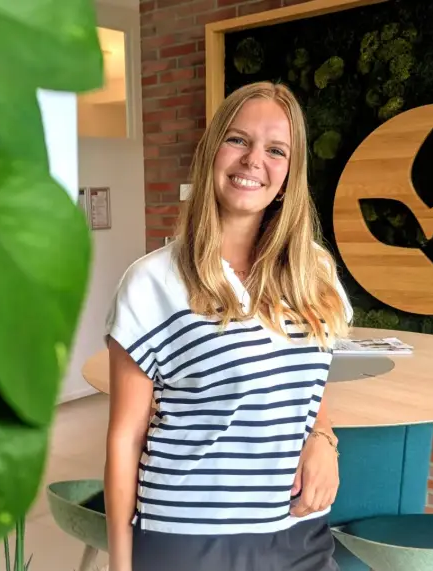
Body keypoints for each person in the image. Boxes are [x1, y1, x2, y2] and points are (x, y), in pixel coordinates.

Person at [103, 81, 353, 571]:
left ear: (291, 173)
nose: (254, 160)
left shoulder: (314, 270)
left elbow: (307, 387)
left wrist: (325, 440)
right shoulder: (152, 281)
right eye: (238, 140)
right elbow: (124, 439)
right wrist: (120, 564)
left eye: (276, 150)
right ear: (210, 151)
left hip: (299, 531)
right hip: (190, 537)